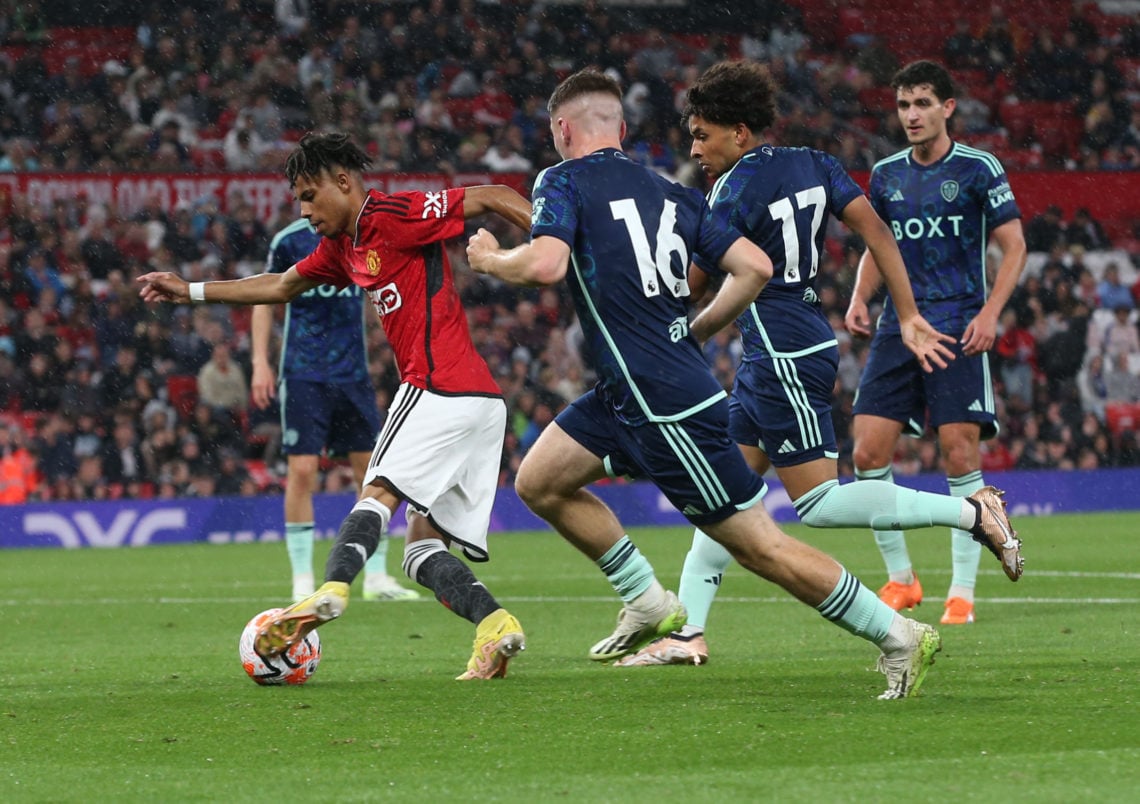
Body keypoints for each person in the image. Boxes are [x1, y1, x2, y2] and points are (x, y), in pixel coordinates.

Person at [467, 69, 984, 700]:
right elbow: (755, 266)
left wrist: (490, 258)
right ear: (623, 130)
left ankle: (898, 634)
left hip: (665, 406)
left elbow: (545, 264)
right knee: (539, 480)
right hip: (627, 391)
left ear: (562, 130)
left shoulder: (563, 180)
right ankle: (647, 601)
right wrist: (699, 326)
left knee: (761, 547)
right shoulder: (672, 195)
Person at [618, 60, 1022, 668]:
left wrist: (658, 303)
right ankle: (688, 633)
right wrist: (906, 314)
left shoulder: (729, 190)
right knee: (726, 501)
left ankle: (972, 512)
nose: (695, 147)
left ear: (741, 131)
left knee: (819, 504)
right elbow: (878, 235)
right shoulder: (814, 162)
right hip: (789, 345)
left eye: (704, 134)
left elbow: (698, 282)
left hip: (781, 352)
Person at [138, 131, 533, 680]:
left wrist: (556, 241)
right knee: (421, 550)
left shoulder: (395, 213)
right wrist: (192, 291)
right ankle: (496, 627)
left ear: (343, 183)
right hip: (481, 403)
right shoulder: (341, 249)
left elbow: (490, 193)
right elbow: (279, 286)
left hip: (437, 387)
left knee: (375, 492)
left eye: (308, 194)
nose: (303, 208)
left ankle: (330, 590)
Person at [844, 61, 1029, 626]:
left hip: (957, 324)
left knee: (958, 455)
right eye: (903, 105)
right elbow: (880, 245)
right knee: (867, 455)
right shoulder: (887, 174)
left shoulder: (978, 168)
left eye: (923, 103)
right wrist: (858, 297)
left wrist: (991, 313)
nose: (912, 115)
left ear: (948, 107)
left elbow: (1014, 245)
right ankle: (903, 581)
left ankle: (963, 594)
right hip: (900, 325)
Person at [251, 217, 420, 604]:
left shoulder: (359, 237)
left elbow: (381, 294)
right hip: (302, 374)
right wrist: (260, 362)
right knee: (303, 471)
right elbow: (263, 297)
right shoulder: (289, 241)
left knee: (371, 472)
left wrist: (400, 352)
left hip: (352, 375)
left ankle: (376, 576)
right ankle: (302, 580)